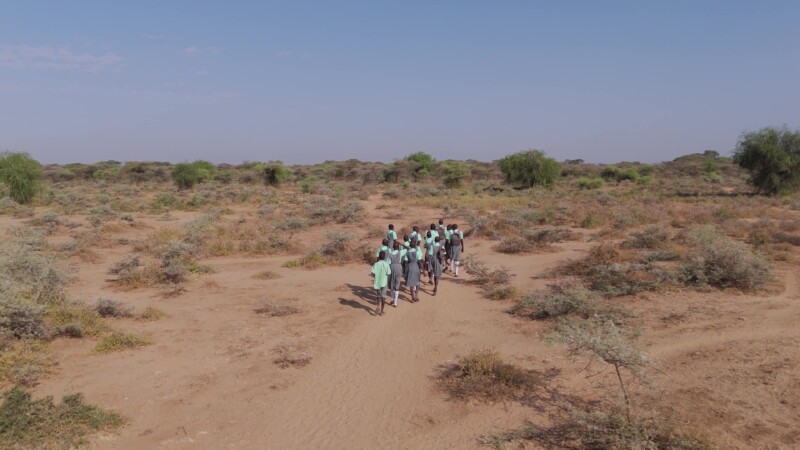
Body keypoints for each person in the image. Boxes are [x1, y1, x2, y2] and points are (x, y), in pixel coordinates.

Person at [371, 251, 391, 316]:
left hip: (377, 282)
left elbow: (372, 273)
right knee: (383, 297)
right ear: (384, 257)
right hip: (384, 283)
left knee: (378, 295)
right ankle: (382, 311)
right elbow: (388, 273)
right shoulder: (386, 264)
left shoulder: (376, 264)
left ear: (379, 257)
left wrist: (376, 276)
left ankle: (378, 306)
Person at [387, 242, 403, 307]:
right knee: (397, 283)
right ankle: (395, 302)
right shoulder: (400, 252)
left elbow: (388, 262)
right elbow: (408, 248)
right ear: (398, 247)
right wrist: (401, 244)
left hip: (392, 267)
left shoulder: (390, 254)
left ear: (393, 247)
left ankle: (392, 299)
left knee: (391, 283)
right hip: (399, 267)